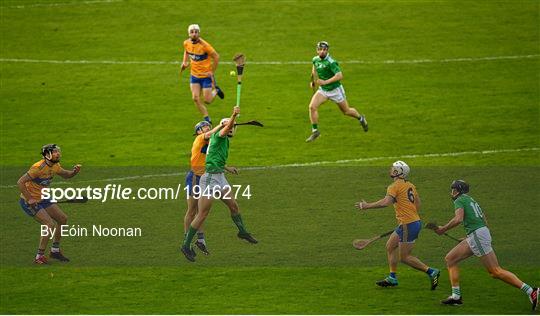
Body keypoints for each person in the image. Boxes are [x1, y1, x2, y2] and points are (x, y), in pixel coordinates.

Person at [435, 180, 538, 309]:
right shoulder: (470, 199)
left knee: (495, 271)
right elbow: (483, 217)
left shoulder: (459, 200)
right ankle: (456, 297)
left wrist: (443, 229)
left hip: (478, 236)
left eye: (454, 190)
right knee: (450, 259)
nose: (452, 192)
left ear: (459, 191)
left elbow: (458, 219)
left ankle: (532, 291)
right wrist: (470, 237)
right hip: (477, 235)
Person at [180, 106, 258, 262]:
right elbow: (224, 129)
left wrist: (227, 168)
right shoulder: (218, 135)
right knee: (201, 213)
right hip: (208, 178)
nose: (232, 129)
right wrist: (233, 116)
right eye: (230, 126)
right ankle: (186, 245)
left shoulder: (222, 140)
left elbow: (215, 158)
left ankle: (242, 231)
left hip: (220, 176)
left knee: (233, 205)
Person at [355, 161, 440, 290]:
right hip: (409, 223)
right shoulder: (410, 185)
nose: (391, 169)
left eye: (393, 168)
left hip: (408, 224)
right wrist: (410, 217)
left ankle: (431, 271)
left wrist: (367, 206)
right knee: (390, 246)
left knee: (405, 257)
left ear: (398, 172)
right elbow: (418, 204)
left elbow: (385, 202)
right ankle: (392, 278)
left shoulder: (394, 186)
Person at [17, 144, 81, 264]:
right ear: (47, 154)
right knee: (49, 224)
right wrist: (30, 199)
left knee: (62, 219)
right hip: (29, 201)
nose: (58, 154)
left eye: (58, 152)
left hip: (43, 198)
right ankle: (39, 256)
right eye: (55, 152)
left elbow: (66, 175)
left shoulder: (55, 166)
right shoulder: (38, 168)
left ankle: (55, 250)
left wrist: (74, 172)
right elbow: (20, 182)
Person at [306, 41, 368, 142]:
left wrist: (325, 82)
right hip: (323, 90)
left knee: (346, 111)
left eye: (324, 50)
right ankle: (315, 131)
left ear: (327, 51)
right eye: (320, 49)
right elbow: (314, 70)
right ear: (317, 50)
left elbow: (339, 76)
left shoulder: (331, 62)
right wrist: (313, 81)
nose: (322, 52)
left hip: (335, 90)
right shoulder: (315, 60)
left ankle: (361, 118)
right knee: (312, 107)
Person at [183, 120, 222, 255]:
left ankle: (200, 240)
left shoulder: (210, 143)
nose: (207, 128)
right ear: (199, 131)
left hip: (205, 179)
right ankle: (186, 240)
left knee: (201, 212)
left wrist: (227, 168)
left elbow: (210, 160)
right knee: (192, 210)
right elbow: (212, 133)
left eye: (208, 126)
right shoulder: (200, 138)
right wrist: (222, 124)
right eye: (204, 127)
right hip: (195, 178)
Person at [181, 24, 224, 124]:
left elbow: (216, 57)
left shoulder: (205, 46)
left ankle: (216, 91)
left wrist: (212, 72)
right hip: (194, 75)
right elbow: (187, 51)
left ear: (199, 33)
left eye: (196, 32)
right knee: (195, 98)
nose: (194, 34)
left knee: (207, 100)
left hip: (205, 77)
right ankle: (207, 118)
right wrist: (185, 62)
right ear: (189, 34)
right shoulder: (186, 43)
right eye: (192, 32)